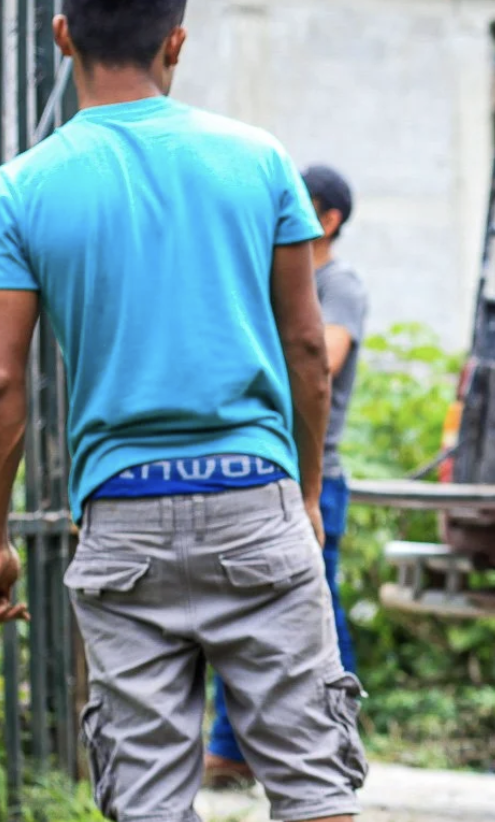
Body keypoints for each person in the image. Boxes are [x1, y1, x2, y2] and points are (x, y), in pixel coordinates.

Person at [0, 0, 362, 819]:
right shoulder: (258, 160)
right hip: (256, 496)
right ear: (175, 42)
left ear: (62, 34)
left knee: (145, 797)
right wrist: (309, 492)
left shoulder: (22, 186)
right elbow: (308, 352)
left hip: (121, 514)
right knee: (314, 788)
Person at [203, 164, 368, 789]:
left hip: (314, 472)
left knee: (314, 611)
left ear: (326, 219)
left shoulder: (339, 283)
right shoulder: (273, 280)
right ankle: (231, 749)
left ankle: (337, 738)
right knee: (238, 607)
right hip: (257, 465)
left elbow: (321, 356)